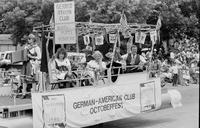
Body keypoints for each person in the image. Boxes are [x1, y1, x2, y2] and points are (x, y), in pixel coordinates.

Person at [21, 33, 41, 98]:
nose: (28, 40)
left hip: (33, 65)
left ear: (33, 39)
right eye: (28, 39)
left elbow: (39, 57)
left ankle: (34, 94)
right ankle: (24, 93)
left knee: (33, 80)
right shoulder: (26, 47)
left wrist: (31, 56)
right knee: (24, 80)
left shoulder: (37, 48)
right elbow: (23, 55)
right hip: (26, 64)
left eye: (30, 39)